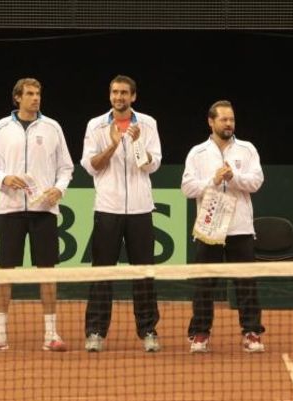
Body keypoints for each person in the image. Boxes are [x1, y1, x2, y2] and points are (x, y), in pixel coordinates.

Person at [0, 77, 74, 352]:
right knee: (4, 272)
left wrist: (59, 189)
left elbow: (66, 167)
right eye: (30, 94)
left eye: (38, 93)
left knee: (47, 272)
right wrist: (4, 178)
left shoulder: (53, 127)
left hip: (44, 209)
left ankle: (51, 334)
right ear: (17, 98)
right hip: (10, 209)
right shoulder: (0, 128)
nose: (35, 98)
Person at [81, 75, 162, 353]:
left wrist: (137, 144)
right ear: (110, 95)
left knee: (144, 273)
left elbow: (152, 165)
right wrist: (113, 144)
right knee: (102, 274)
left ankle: (149, 330)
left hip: (140, 209)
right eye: (115, 92)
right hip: (108, 208)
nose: (119, 97)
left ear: (133, 96)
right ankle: (95, 332)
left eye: (124, 93)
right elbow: (91, 166)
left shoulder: (148, 124)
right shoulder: (96, 125)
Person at [181, 100, 266, 353]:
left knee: (246, 284)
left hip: (240, 227)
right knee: (204, 285)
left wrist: (234, 178)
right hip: (210, 228)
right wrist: (213, 180)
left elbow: (257, 181)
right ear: (211, 121)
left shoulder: (247, 149)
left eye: (231, 119)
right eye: (224, 120)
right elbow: (187, 188)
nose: (229, 124)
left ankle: (251, 332)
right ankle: (200, 333)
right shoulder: (197, 153)